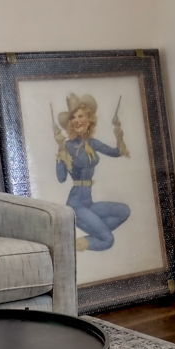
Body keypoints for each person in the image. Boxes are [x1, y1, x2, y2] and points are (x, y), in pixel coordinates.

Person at [54, 93, 130, 253]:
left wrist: (118, 131)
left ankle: (95, 230)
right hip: (75, 205)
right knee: (108, 240)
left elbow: (116, 152)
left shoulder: (92, 143)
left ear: (89, 119)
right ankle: (71, 245)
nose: (77, 120)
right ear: (70, 123)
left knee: (124, 211)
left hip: (88, 203)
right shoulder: (67, 146)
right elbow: (61, 178)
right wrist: (60, 152)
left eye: (80, 116)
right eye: (73, 117)